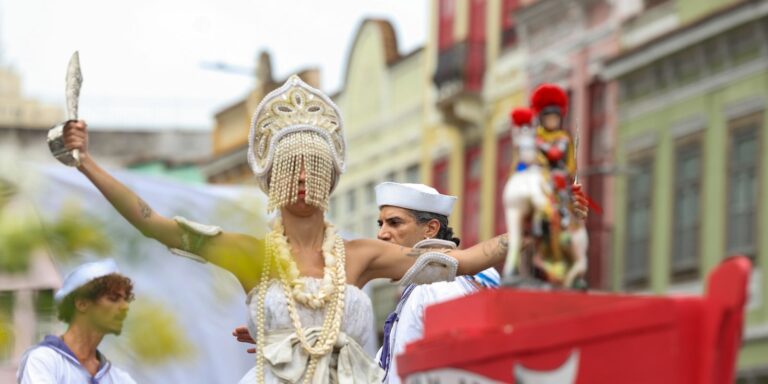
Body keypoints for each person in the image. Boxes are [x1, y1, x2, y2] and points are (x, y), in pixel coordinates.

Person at [59, 75, 511, 383]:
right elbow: (153, 224)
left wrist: (541, 209)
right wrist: (86, 164)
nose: (300, 180)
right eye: (289, 169)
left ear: (328, 178)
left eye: (311, 169)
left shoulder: (361, 256)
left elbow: (469, 258)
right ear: (271, 178)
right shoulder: (251, 254)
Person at [373, 182, 500, 383]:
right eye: (381, 224)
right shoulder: (430, 283)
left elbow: (456, 370)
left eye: (394, 223)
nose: (382, 234)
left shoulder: (437, 285)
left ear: (431, 229)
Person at [17, 259, 137, 384]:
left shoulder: (120, 378)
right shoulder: (43, 360)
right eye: (113, 298)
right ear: (82, 303)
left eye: (126, 299)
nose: (125, 307)